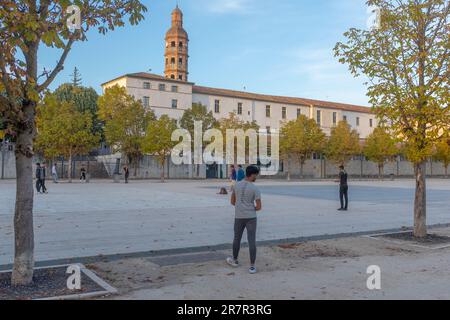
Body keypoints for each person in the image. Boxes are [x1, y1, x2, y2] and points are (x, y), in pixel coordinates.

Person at [227, 165, 262, 274]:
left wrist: (241, 207)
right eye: (256, 175)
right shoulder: (255, 188)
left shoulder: (236, 185)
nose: (256, 177)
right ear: (252, 175)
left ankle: (235, 260)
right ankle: (252, 266)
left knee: (236, 239)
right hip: (251, 217)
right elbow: (259, 207)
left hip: (239, 216)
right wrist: (250, 208)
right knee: (252, 240)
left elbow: (232, 202)